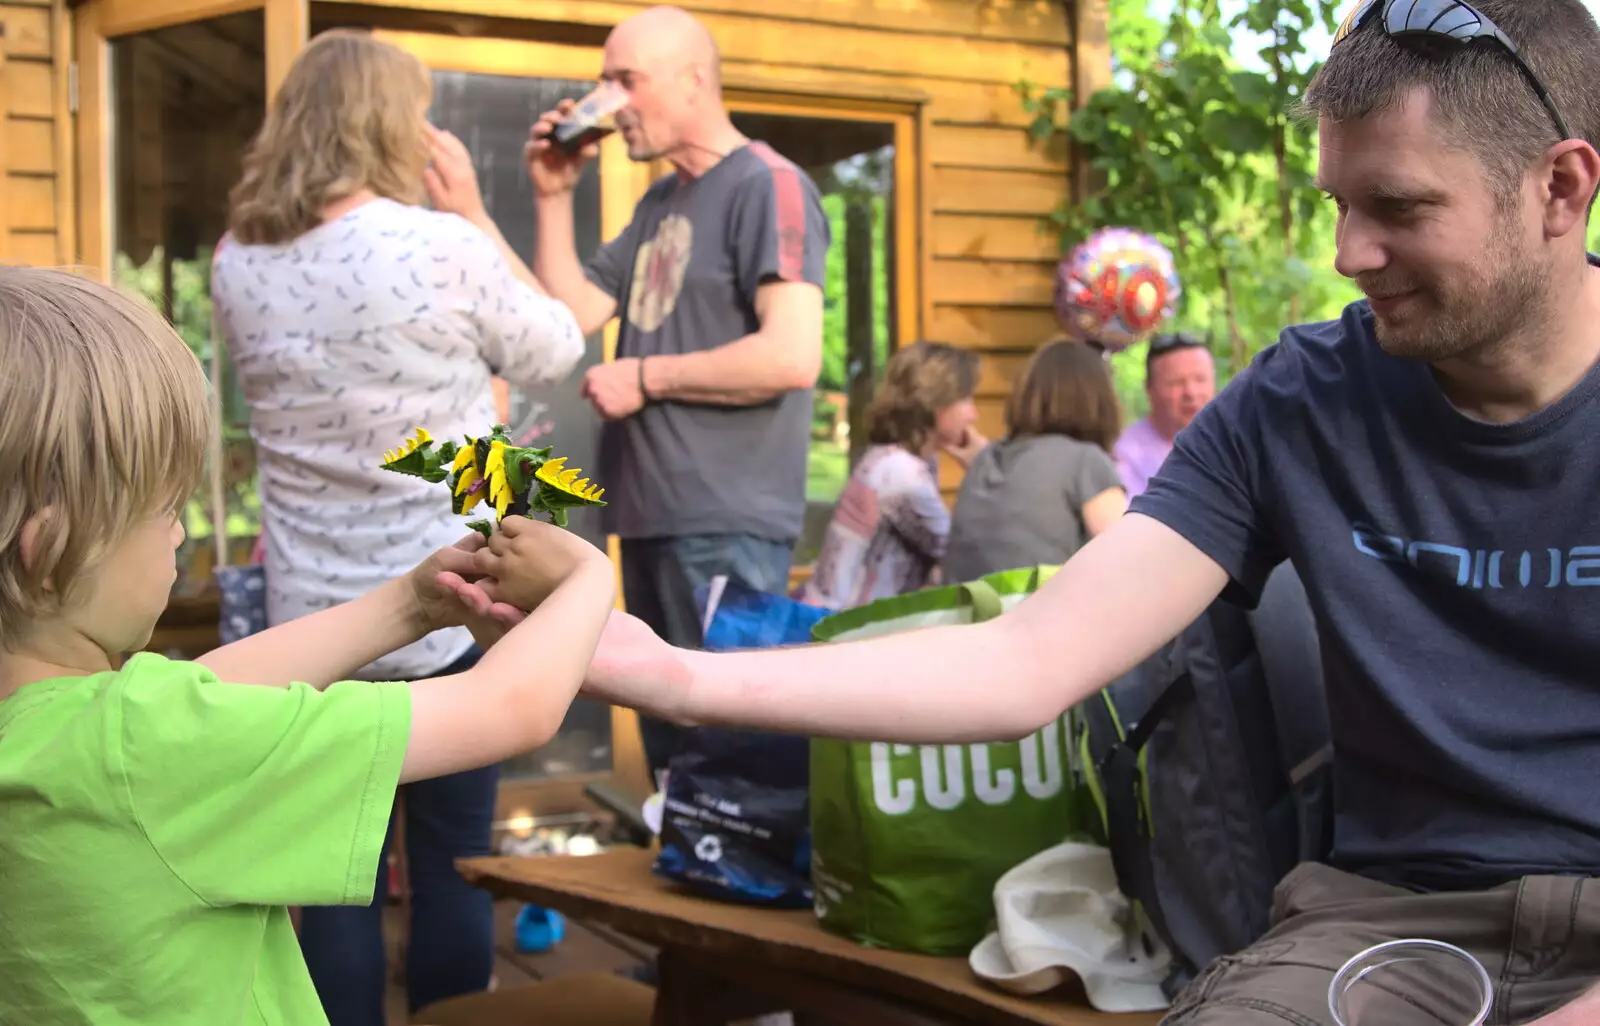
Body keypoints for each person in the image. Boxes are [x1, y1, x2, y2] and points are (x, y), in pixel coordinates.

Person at [452, 2, 1600, 1023]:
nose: (1350, 253)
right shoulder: (1305, 398)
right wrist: (668, 670)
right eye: (1338, 204)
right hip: (1385, 924)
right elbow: (1026, 658)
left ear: (1560, 188)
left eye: (1396, 207)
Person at [0, 265, 616, 1024]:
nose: (179, 532)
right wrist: (590, 577)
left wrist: (407, 606)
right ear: (51, 546)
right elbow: (509, 707)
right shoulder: (139, 751)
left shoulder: (64, 737)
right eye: (164, 510)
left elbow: (199, 699)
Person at [211, 31, 585, 1023]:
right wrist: (472, 210)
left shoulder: (237, 261)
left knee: (336, 881)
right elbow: (555, 345)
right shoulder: (438, 245)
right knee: (457, 861)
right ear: (394, 126)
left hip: (316, 624)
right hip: (453, 597)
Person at [525, 5, 829, 779]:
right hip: (650, 517)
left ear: (695, 81)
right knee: (673, 759)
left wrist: (646, 376)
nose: (610, 102)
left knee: (734, 757)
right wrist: (554, 197)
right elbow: (568, 320)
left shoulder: (771, 186)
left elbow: (792, 355)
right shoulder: (659, 204)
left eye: (627, 80)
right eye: (605, 83)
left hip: (725, 518)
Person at [796, 342, 981, 611]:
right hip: (845, 635)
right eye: (965, 399)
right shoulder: (901, 476)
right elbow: (964, 559)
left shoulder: (888, 458)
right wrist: (983, 471)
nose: (973, 414)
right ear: (936, 403)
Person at [943, 339, 1126, 582]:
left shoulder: (985, 460)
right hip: (1041, 614)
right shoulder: (1085, 461)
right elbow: (1126, 562)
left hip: (971, 616)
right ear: (1100, 400)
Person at [1113, 331, 1216, 497]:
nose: (1190, 393)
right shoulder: (1124, 455)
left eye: (1200, 379)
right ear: (1149, 389)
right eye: (1176, 383)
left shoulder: (1233, 446)